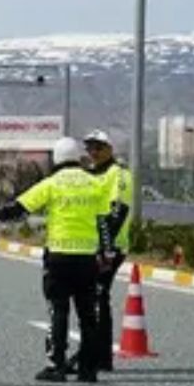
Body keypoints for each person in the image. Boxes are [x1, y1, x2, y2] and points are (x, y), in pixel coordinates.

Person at [0, 137, 112, 383]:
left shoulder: (52, 183)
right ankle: (88, 370)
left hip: (59, 256)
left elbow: (19, 207)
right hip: (87, 259)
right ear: (79, 158)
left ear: (57, 159)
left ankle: (56, 365)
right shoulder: (95, 184)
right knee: (88, 315)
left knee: (58, 311)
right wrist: (107, 252)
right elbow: (104, 223)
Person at [81, 129, 132, 373]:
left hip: (110, 246)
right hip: (91, 245)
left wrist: (105, 248)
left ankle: (101, 356)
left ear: (110, 149)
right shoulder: (90, 174)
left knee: (99, 297)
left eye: (98, 147)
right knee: (93, 298)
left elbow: (118, 211)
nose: (93, 152)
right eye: (89, 147)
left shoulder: (118, 174)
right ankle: (95, 353)